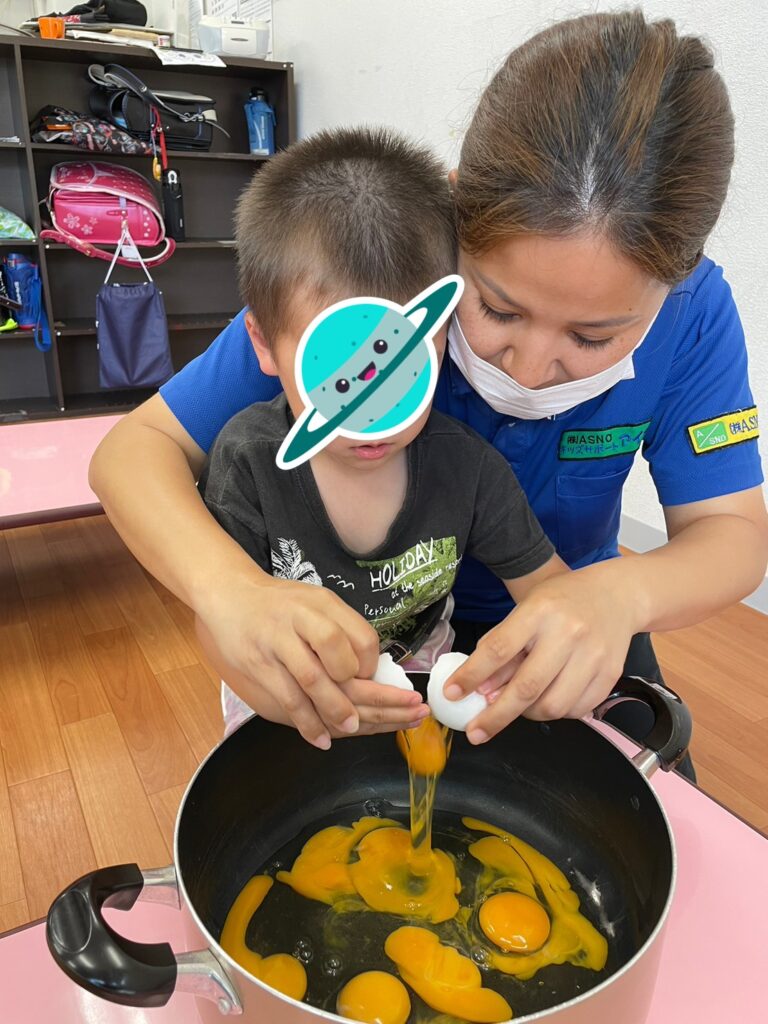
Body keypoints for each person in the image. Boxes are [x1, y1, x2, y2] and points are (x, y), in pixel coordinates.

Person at [89, 10, 767, 766]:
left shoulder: (695, 315)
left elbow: (732, 533)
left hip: (566, 614)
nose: (529, 368)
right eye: (498, 309)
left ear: (675, 285)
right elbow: (136, 451)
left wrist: (620, 596)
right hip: (369, 631)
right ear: (454, 218)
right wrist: (230, 593)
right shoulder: (381, 278)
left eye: (592, 338)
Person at [198, 127, 568, 739]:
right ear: (264, 344)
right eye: (339, 377)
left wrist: (544, 649)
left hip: (420, 690)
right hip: (284, 692)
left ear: (445, 338)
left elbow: (549, 591)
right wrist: (275, 693)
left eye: (403, 369)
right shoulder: (249, 462)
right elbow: (219, 621)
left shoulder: (468, 468)